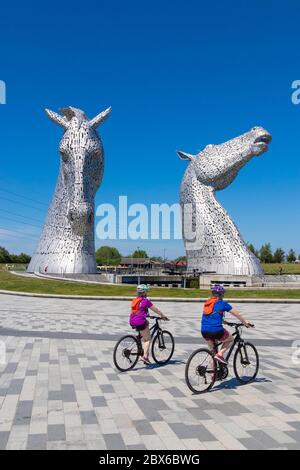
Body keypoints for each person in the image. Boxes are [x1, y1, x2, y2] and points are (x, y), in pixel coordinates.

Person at [201, 284, 254, 365]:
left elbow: (212, 316)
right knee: (231, 339)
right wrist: (245, 322)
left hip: (204, 330)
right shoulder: (223, 303)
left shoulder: (208, 303)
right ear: (221, 294)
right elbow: (237, 314)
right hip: (216, 330)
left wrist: (225, 322)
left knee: (213, 354)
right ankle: (220, 354)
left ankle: (213, 376)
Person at [129, 284, 169, 365]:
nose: (147, 293)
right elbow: (155, 309)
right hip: (140, 321)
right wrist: (163, 316)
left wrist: (146, 315)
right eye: (146, 291)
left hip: (132, 320)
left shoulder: (135, 300)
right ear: (144, 292)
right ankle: (145, 357)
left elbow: (140, 311)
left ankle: (140, 349)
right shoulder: (145, 301)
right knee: (148, 339)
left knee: (146, 324)